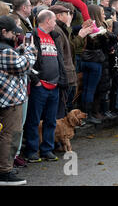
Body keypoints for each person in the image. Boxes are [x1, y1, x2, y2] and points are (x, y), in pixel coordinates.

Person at [24, 10, 67, 163]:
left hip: (54, 85)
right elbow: (27, 59)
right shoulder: (33, 36)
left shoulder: (54, 37)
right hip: (39, 86)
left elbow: (60, 59)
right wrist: (35, 80)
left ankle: (47, 150)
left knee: (51, 120)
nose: (55, 23)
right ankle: (31, 150)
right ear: (48, 21)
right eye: (54, 20)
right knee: (34, 120)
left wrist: (61, 79)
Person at [0, 16, 37, 185]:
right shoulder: (4, 50)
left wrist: (20, 51)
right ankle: (4, 172)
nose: (15, 36)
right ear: (4, 32)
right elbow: (23, 65)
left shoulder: (7, 50)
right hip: (10, 101)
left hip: (7, 98)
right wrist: (30, 51)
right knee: (10, 135)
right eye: (13, 33)